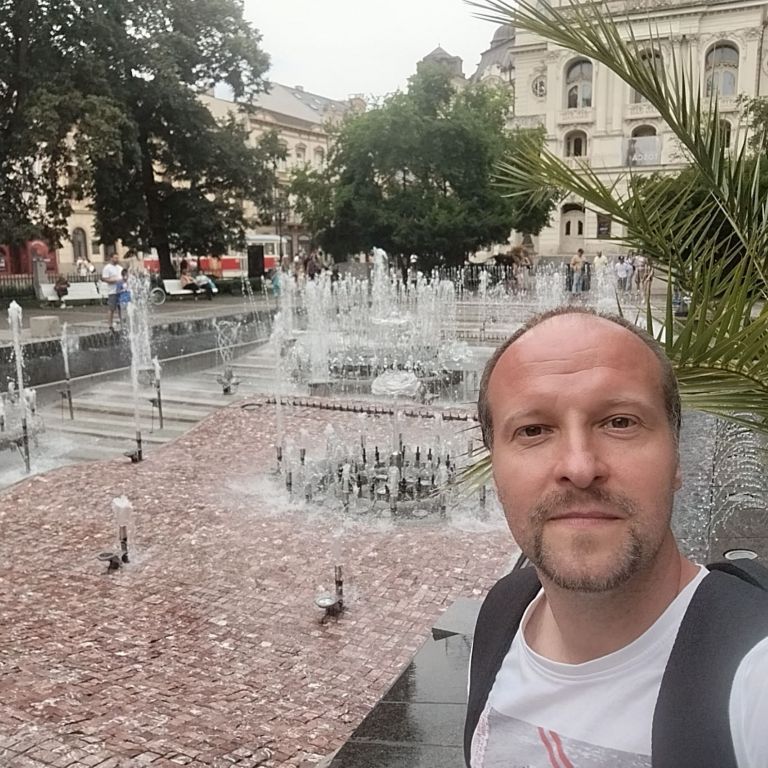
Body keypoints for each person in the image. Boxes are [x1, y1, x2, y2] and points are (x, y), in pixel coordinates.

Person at [466, 307, 768, 767]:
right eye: (533, 430)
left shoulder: (754, 676)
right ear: (495, 469)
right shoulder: (502, 616)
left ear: (677, 457)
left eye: (620, 422)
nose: (580, 467)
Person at [101, 252, 123, 330]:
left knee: (121, 308)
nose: (117, 259)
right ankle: (110, 325)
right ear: (111, 258)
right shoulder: (107, 268)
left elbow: (123, 277)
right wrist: (114, 280)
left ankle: (122, 324)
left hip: (121, 291)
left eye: (117, 258)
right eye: (115, 258)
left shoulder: (120, 268)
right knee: (111, 308)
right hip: (112, 291)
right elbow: (104, 279)